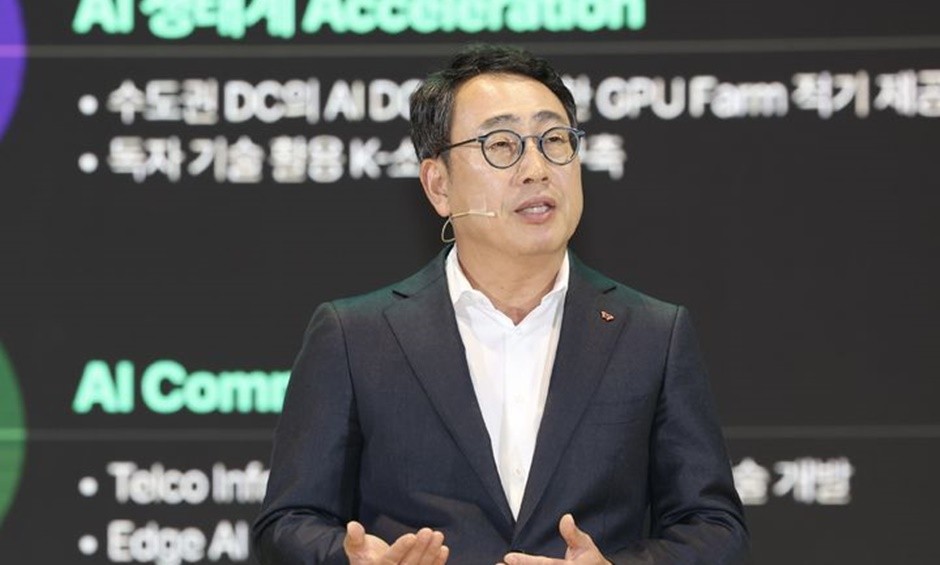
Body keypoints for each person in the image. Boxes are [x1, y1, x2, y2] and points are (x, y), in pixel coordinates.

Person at [252, 45, 749, 564]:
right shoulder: (356, 336)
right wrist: (352, 560)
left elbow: (714, 529)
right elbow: (287, 524)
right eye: (501, 144)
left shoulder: (651, 333)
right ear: (439, 185)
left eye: (554, 140)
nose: (536, 168)